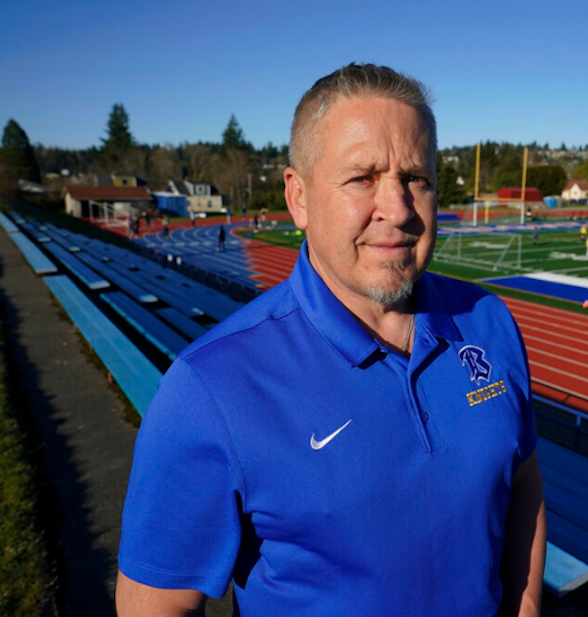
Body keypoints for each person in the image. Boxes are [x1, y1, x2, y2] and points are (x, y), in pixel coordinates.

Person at [116, 63, 545, 617]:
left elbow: (524, 482)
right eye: (362, 177)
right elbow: (154, 606)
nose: (397, 210)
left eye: (416, 177)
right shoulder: (211, 386)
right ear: (298, 198)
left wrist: (526, 604)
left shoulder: (490, 321)